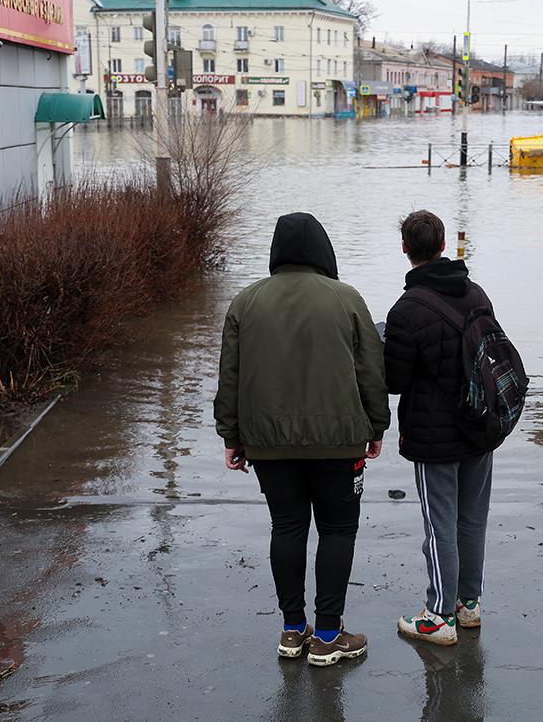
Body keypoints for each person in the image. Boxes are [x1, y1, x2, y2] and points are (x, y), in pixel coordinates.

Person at [214, 212, 390, 667]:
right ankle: (329, 635)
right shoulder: (347, 299)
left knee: (286, 527)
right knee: (337, 529)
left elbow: (230, 377)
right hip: (340, 442)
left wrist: (231, 435)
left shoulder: (245, 303)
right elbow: (371, 371)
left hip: (268, 444)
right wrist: (376, 426)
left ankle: (293, 631)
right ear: (323, 251)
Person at [383, 210, 503, 646]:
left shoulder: (406, 310)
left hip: (434, 438)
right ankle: (468, 606)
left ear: (405, 249)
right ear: (443, 244)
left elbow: (394, 381)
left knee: (440, 527)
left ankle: (438, 617)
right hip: (481, 426)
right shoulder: (477, 294)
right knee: (472, 520)